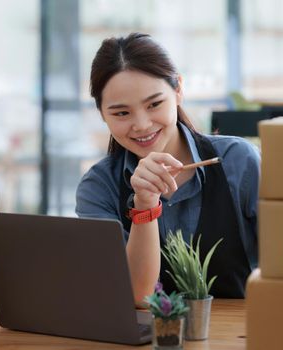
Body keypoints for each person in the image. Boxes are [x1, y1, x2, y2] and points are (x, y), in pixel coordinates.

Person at [75, 33, 260, 303]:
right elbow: (137, 295)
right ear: (102, 114)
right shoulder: (97, 188)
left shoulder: (237, 160)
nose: (142, 124)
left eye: (154, 104)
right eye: (121, 113)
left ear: (178, 90)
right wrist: (145, 205)